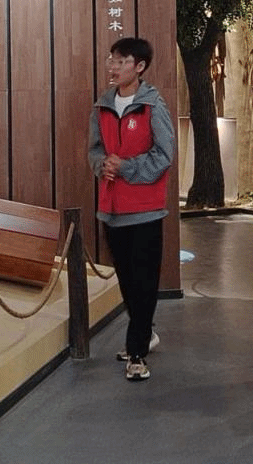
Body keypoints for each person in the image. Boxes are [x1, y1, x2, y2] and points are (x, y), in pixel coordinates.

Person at [87, 37, 174, 382]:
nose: (113, 66)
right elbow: (94, 149)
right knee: (125, 278)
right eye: (112, 60)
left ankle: (136, 353)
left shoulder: (153, 105)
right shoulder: (102, 106)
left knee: (144, 281)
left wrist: (127, 167)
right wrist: (103, 165)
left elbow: (164, 155)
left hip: (145, 208)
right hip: (111, 206)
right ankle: (143, 333)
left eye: (121, 61)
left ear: (139, 67)